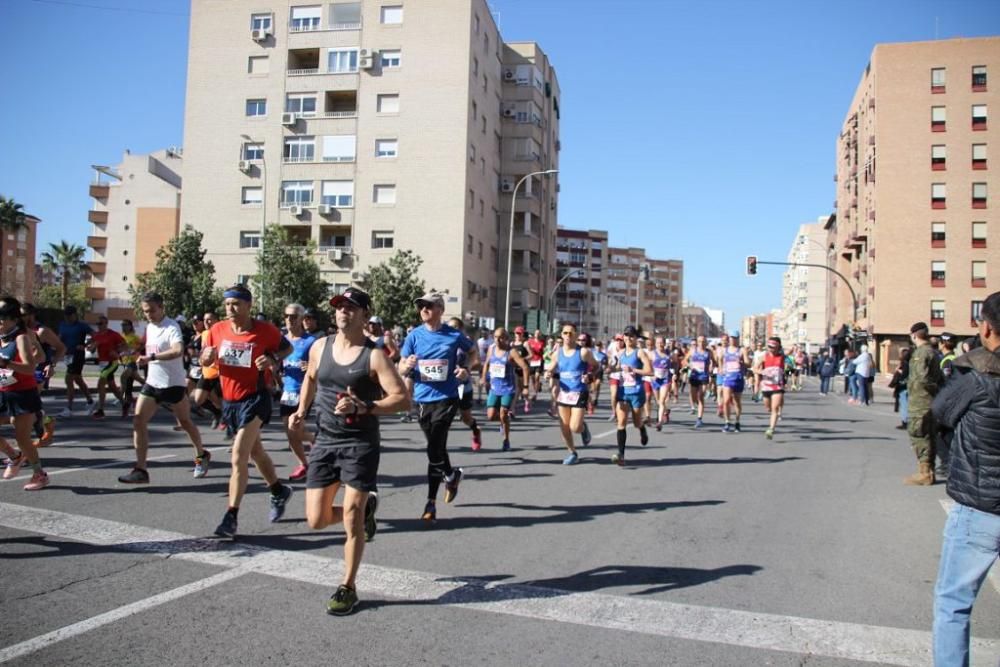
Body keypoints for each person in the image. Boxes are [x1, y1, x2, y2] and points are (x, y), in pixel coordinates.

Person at [291, 286, 409, 615]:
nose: (343, 311)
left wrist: (365, 405)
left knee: (352, 519)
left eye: (351, 307)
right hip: (326, 440)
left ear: (363, 315)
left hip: (359, 443)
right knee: (315, 519)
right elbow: (311, 378)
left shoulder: (374, 356)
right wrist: (301, 410)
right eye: (340, 306)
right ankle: (366, 508)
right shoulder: (319, 346)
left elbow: (401, 399)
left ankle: (348, 586)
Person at [930, 291, 1000, 666]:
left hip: (979, 508)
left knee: (954, 605)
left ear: (986, 328)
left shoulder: (973, 378)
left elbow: (938, 418)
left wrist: (952, 462)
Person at [200, 284, 294, 538]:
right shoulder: (216, 330)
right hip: (229, 401)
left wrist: (272, 359)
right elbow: (205, 359)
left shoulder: (265, 331)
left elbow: (287, 348)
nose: (231, 309)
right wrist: (205, 358)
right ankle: (278, 490)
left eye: (236, 304)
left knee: (238, 456)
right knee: (256, 451)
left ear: (249, 306)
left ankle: (231, 516)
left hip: (255, 398)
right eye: (227, 304)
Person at [398, 292, 477, 523]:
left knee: (434, 448)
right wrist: (407, 365)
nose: (423, 309)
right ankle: (451, 475)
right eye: (421, 306)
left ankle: (430, 503)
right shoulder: (414, 336)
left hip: (447, 397)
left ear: (440, 310)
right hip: (423, 399)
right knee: (437, 447)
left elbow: (472, 353)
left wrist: (465, 369)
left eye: (428, 306)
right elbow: (402, 366)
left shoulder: (454, 335)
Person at [118, 292, 211, 483]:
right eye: (145, 311)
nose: (149, 314)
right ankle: (141, 469)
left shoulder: (172, 327)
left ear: (162, 308)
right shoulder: (150, 327)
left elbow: (177, 350)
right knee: (138, 420)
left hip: (173, 385)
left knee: (185, 422)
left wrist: (152, 358)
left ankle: (201, 455)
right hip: (152, 383)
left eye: (152, 310)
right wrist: (133, 352)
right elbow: (147, 347)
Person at [0, 297, 49, 490]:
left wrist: (7, 364)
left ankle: (40, 474)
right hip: (3, 390)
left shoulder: (21, 337)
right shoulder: (2, 337)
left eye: (2, 316)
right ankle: (15, 456)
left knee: (22, 438)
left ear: (13, 318)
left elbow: (30, 367)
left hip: (23, 394)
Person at [545, 323, 595, 465]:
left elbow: (596, 367)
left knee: (575, 427)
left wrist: (590, 376)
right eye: (565, 333)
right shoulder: (558, 353)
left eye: (571, 333)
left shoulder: (583, 352)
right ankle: (572, 452)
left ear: (576, 334)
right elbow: (550, 368)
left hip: (579, 392)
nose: (568, 335)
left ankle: (583, 428)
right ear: (561, 335)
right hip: (564, 393)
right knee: (564, 425)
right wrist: (548, 374)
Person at [279, 303, 317, 481]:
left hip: (304, 391)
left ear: (302, 319)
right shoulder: (281, 340)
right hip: (287, 391)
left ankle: (316, 440)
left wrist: (310, 367)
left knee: (295, 429)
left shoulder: (311, 341)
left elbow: (320, 366)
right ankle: (304, 463)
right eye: (287, 316)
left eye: (294, 317)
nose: (289, 320)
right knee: (290, 433)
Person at [903, 322, 944, 486]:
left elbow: (922, 378)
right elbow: (939, 379)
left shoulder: (921, 353)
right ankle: (929, 471)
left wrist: (927, 390)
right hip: (930, 401)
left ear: (914, 335)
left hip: (921, 402)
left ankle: (925, 473)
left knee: (919, 435)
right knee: (929, 436)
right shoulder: (933, 352)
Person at [20, 303, 64, 446]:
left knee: (29, 404)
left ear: (31, 315)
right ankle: (46, 427)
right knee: (30, 405)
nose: (20, 318)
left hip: (39, 370)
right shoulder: (18, 330)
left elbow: (61, 348)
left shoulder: (42, 331)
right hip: (22, 370)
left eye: (23, 315)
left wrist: (52, 364)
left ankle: (38, 437)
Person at [480, 327, 530, 452]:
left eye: (501, 337)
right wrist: (483, 379)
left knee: (503, 413)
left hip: (508, 388)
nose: (498, 339)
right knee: (491, 416)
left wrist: (525, 387)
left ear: (507, 339)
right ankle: (503, 422)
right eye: (496, 337)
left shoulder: (511, 352)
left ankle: (506, 440)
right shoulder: (491, 349)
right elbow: (486, 363)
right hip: (494, 388)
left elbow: (525, 367)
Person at [608, 325, 651, 466]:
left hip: (636, 392)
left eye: (631, 335)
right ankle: (621, 455)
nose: (628, 338)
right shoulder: (620, 354)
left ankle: (642, 429)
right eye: (626, 335)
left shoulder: (640, 353)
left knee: (637, 421)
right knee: (621, 423)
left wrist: (634, 370)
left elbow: (649, 371)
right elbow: (617, 368)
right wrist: (609, 368)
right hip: (623, 392)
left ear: (636, 338)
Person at [447, 317, 483, 452]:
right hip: (447, 385)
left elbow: (477, 362)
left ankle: (475, 430)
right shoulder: (442, 341)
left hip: (463, 384)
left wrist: (466, 369)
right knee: (444, 416)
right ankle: (439, 447)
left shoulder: (466, 342)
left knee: (466, 417)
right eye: (450, 327)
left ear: (461, 329)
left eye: (455, 327)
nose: (452, 330)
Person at [56, 305, 94, 417]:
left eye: (70, 315)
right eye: (66, 316)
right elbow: (60, 338)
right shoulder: (62, 325)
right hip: (68, 355)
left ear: (75, 315)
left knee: (68, 379)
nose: (68, 318)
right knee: (77, 379)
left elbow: (95, 335)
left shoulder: (82, 326)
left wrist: (85, 345)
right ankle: (90, 401)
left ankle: (69, 408)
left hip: (78, 355)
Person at [88, 315, 127, 419]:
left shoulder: (113, 334)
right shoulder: (96, 335)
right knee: (112, 387)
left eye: (101, 324)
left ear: (106, 323)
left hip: (112, 362)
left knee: (101, 382)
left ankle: (101, 410)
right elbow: (91, 350)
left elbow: (124, 346)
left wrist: (117, 353)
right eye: (97, 324)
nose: (99, 326)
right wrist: (92, 346)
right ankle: (125, 404)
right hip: (102, 363)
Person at [755, 336, 787, 440]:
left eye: (773, 347)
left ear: (778, 347)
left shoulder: (782, 357)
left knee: (775, 408)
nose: (771, 349)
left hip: (778, 386)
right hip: (766, 386)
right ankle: (772, 416)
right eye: (769, 346)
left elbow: (790, 354)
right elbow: (754, 368)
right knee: (768, 407)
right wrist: (762, 372)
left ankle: (771, 429)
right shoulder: (764, 357)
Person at [718, 333, 748, 433]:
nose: (733, 340)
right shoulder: (724, 350)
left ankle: (737, 422)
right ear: (729, 339)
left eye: (735, 338)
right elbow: (720, 360)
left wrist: (743, 362)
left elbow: (748, 363)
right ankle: (727, 422)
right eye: (731, 338)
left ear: (738, 339)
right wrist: (721, 369)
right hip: (727, 378)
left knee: (737, 401)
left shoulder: (742, 350)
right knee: (726, 401)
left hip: (738, 377)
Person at [685, 335, 712, 428]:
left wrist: (712, 366)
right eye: (700, 341)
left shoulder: (709, 352)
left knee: (701, 396)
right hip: (694, 376)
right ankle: (697, 405)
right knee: (693, 397)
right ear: (697, 342)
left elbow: (715, 362)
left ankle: (699, 419)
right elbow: (684, 360)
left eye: (703, 341)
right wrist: (690, 365)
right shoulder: (693, 351)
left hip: (703, 377)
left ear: (706, 342)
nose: (701, 343)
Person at [889, 348, 911, 430]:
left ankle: (905, 422)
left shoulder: (905, 364)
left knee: (904, 405)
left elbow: (904, 374)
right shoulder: (911, 363)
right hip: (907, 386)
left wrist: (898, 370)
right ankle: (906, 421)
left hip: (903, 386)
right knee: (905, 404)